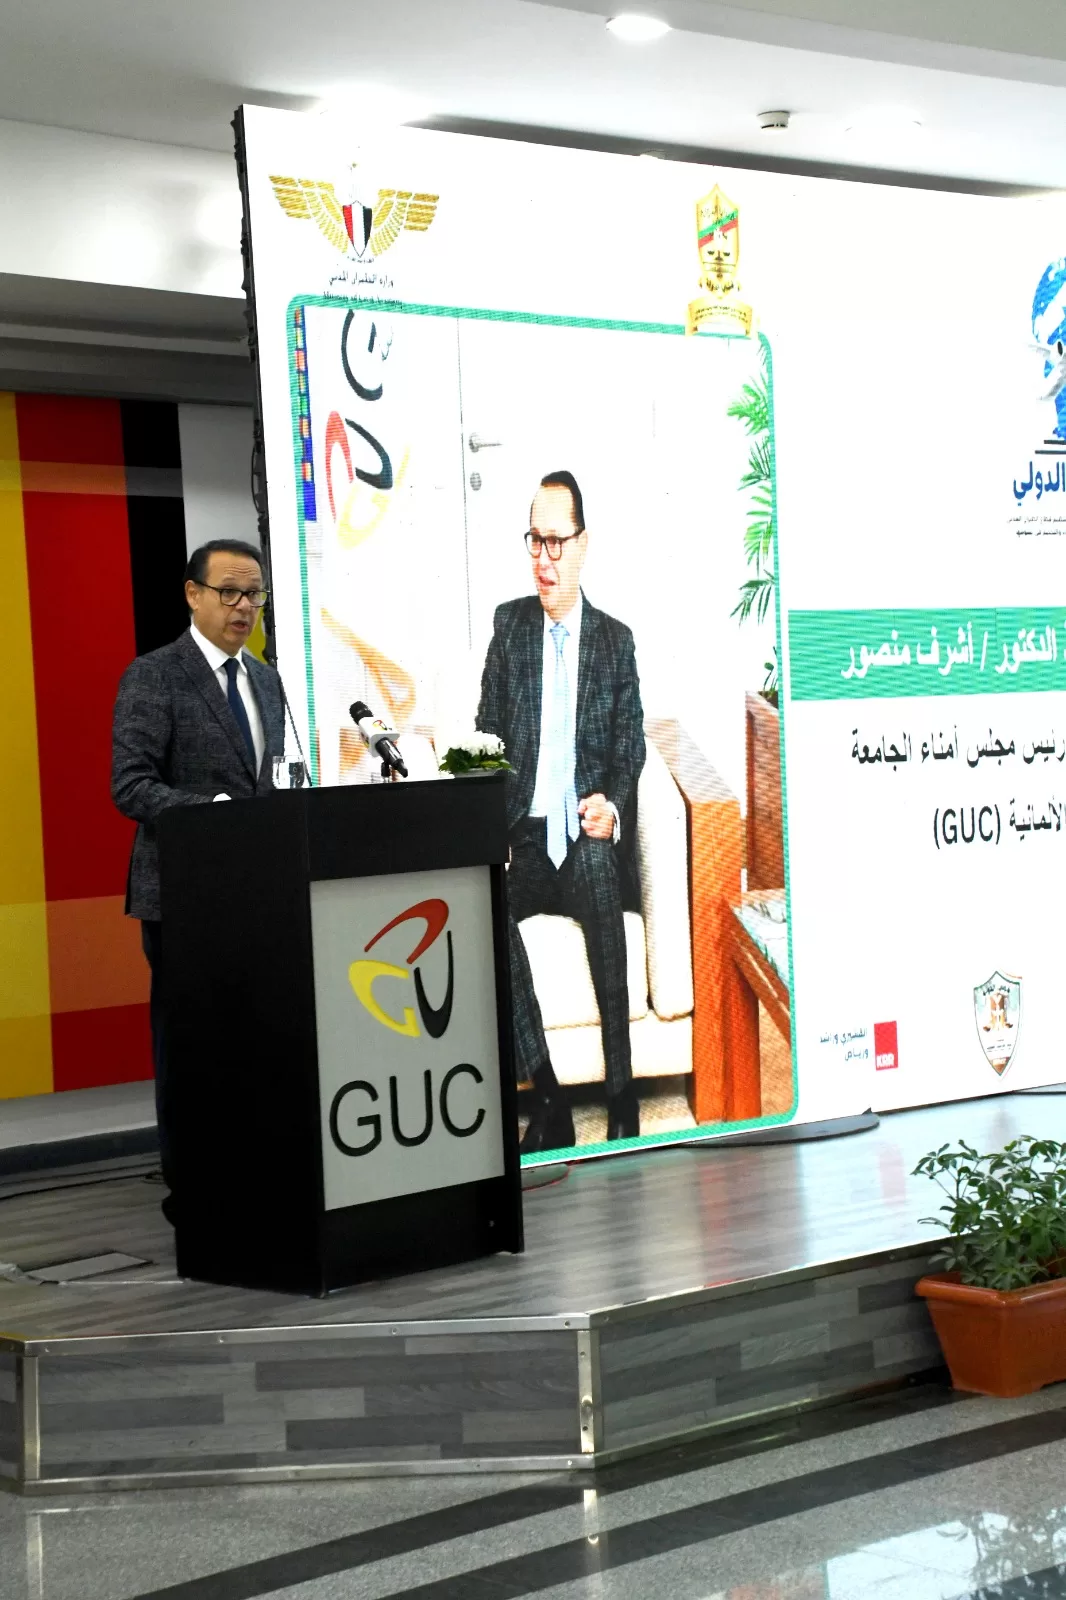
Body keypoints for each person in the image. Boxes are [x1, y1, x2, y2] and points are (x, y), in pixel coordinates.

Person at [111, 540, 284, 1220]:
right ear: (192, 594)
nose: (245, 607)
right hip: (183, 897)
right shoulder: (154, 676)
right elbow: (130, 785)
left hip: (258, 895)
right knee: (191, 1046)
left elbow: (268, 782)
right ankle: (192, 1189)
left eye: (255, 594)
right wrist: (209, 812)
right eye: (230, 592)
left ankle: (254, 1173)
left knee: (255, 1042)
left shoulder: (266, 680)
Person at [477, 471, 646, 1153]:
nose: (543, 559)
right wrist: (491, 828)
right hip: (525, 838)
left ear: (583, 543)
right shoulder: (510, 626)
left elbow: (630, 745)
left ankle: (622, 1095)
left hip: (583, 839)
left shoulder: (614, 641)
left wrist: (613, 806)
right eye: (534, 541)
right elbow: (486, 734)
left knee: (601, 869)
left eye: (555, 542)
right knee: (480, 899)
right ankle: (549, 1099)